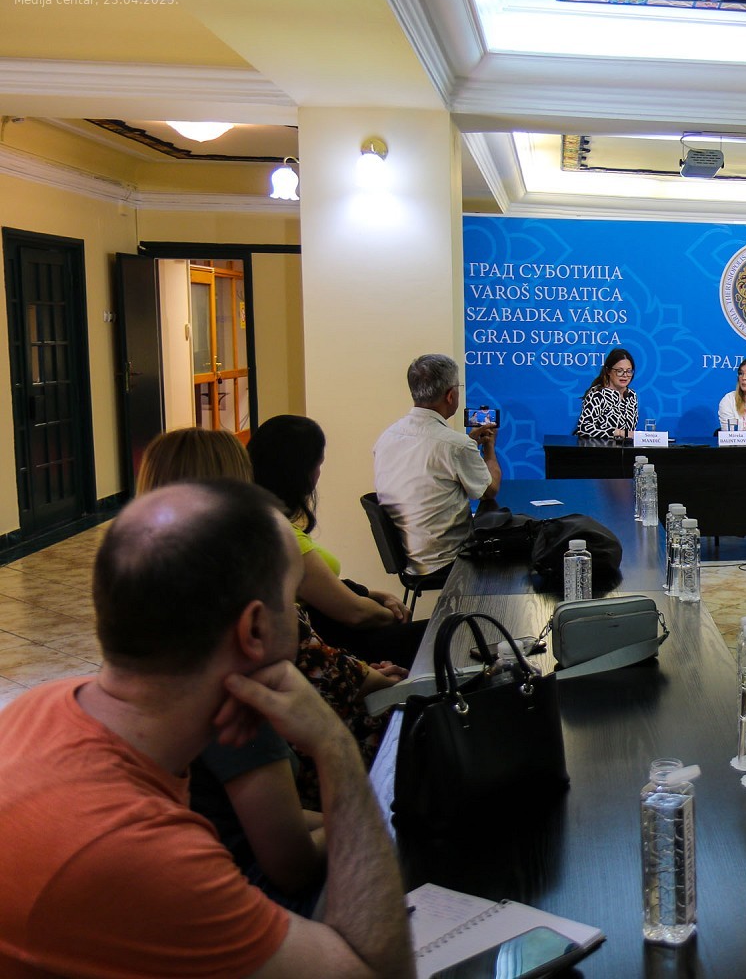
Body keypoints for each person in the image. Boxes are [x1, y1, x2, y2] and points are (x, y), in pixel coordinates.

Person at [0, 480, 415, 978]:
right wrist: (335, 750)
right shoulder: (143, 858)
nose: (301, 619)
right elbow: (378, 971)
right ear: (255, 629)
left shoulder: (40, 705)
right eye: (294, 602)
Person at [252, 414, 425, 667]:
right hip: (341, 649)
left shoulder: (266, 525)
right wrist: (391, 615)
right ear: (301, 471)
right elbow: (355, 613)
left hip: (338, 638)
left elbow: (327, 591)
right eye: (319, 464)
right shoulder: (281, 538)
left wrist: (374, 595)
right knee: (451, 635)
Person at [374, 353, 501, 580]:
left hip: (408, 559)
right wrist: (489, 449)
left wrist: (469, 444)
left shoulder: (387, 436)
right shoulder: (455, 445)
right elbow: (489, 491)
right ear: (451, 395)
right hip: (447, 560)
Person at [575, 347, 639, 439]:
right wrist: (619, 432)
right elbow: (584, 428)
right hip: (600, 447)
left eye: (629, 371)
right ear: (608, 371)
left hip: (625, 447)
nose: (625, 375)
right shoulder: (597, 394)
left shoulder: (631, 395)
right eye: (619, 371)